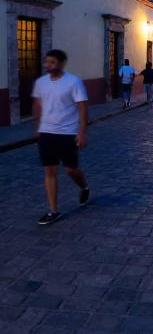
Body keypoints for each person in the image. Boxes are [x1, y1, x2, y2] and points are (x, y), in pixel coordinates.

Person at [31, 49, 90, 226]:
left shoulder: (73, 82)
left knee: (70, 170)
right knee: (49, 171)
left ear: (62, 63)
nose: (48, 65)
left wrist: (81, 133)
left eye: (52, 62)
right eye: (46, 62)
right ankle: (53, 211)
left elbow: (82, 108)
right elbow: (38, 105)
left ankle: (84, 187)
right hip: (47, 132)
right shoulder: (41, 82)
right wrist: (37, 128)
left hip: (68, 132)